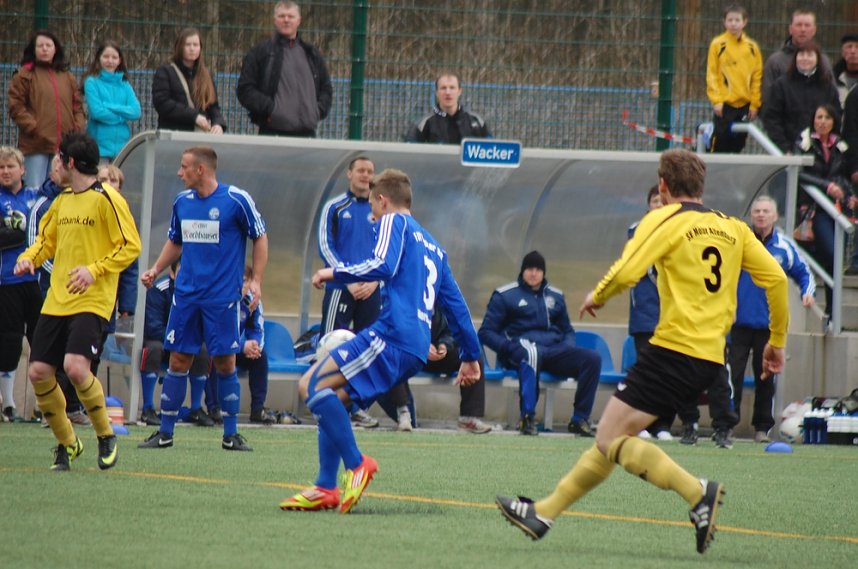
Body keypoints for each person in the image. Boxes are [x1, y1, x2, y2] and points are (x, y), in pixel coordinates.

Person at [496, 149, 790, 555]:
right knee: (612, 438)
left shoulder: (663, 218)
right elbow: (775, 278)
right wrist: (777, 340)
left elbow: (629, 269)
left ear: (664, 185)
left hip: (672, 349)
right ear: (701, 187)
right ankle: (544, 513)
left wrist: (597, 295)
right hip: (709, 358)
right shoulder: (733, 227)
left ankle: (696, 491)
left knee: (608, 437)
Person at [278, 168, 482, 513]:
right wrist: (471, 354)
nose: (373, 218)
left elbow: (383, 266)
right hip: (415, 347)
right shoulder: (434, 246)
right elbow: (457, 305)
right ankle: (325, 487)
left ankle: (357, 465)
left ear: (383, 200)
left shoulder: (394, 222)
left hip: (392, 334)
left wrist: (334, 272)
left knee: (310, 385)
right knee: (335, 398)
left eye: (373, 210)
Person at [14, 132, 142, 471]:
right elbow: (45, 242)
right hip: (57, 300)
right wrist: (29, 258)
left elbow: (130, 245)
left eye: (59, 158)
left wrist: (94, 270)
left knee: (74, 366)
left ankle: (105, 436)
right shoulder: (62, 201)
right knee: (40, 372)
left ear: (70, 163)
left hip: (93, 300)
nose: (56, 164)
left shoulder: (107, 199)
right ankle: (67, 443)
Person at [139, 146, 267, 451]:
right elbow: (175, 241)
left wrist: (257, 281)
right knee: (179, 358)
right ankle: (165, 432)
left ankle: (231, 435)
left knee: (224, 362)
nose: (179, 173)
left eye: (184, 167)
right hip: (186, 297)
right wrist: (156, 268)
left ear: (201, 170)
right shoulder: (182, 202)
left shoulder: (236, 200)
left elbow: (260, 236)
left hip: (222, 298)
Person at [479, 251, 600, 436]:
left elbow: (567, 330)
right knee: (532, 354)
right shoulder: (505, 295)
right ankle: (527, 417)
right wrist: (508, 347)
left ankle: (580, 419)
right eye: (529, 269)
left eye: (538, 269)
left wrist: (567, 346)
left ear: (543, 272)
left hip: (553, 351)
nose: (533, 273)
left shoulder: (556, 296)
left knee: (592, 359)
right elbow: (486, 332)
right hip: (520, 351)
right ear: (522, 271)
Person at [730, 196, 815, 443]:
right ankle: (727, 424)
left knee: (765, 376)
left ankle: (762, 428)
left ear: (775, 216)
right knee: (731, 375)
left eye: (766, 211)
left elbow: (803, 271)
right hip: (737, 323)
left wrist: (807, 293)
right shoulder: (739, 243)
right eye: (756, 210)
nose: (761, 215)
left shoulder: (784, 247)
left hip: (769, 326)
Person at [317, 155, 381, 428]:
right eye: (361, 171)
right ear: (349, 173)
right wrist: (348, 279)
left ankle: (355, 407)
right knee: (331, 345)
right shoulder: (335, 207)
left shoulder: (381, 209)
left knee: (367, 349)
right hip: (342, 288)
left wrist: (376, 280)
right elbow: (325, 245)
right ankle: (322, 403)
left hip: (372, 289)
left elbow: (388, 248)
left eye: (370, 171)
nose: (365, 175)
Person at [378, 300, 493, 434]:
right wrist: (422, 346)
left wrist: (444, 345)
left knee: (473, 357)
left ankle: (469, 418)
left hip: (438, 355)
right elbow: (396, 330)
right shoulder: (405, 297)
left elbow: (453, 329)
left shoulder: (442, 296)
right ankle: (403, 414)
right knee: (393, 357)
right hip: (411, 353)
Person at [237, 1, 333, 137]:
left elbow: (326, 88)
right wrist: (270, 110)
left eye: (291, 16)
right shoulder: (261, 52)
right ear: (274, 20)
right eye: (282, 16)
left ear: (299, 20)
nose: (286, 20)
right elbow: (245, 89)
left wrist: (317, 111)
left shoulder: (311, 54)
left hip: (308, 134)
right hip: (272, 133)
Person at [795, 104, 855, 317]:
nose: (822, 121)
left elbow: (844, 175)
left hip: (838, 210)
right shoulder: (805, 143)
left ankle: (832, 310)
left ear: (833, 121)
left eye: (827, 118)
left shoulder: (840, 145)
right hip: (816, 208)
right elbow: (799, 173)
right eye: (818, 117)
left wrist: (849, 195)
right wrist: (826, 187)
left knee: (835, 261)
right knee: (831, 253)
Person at [139, 261, 214, 427]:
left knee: (202, 350)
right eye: (184, 270)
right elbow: (153, 326)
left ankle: (196, 408)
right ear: (173, 273)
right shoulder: (160, 289)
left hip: (183, 340)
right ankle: (148, 408)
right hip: (160, 340)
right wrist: (177, 340)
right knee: (153, 349)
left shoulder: (197, 292)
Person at [7, 30, 85, 188]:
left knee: (61, 188)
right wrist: (34, 128)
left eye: (48, 45)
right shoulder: (24, 75)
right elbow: (16, 106)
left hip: (63, 145)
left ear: (55, 49)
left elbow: (77, 105)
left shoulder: (67, 76)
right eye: (40, 45)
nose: (44, 49)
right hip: (35, 145)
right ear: (33, 49)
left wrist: (77, 127)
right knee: (35, 188)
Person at [205, 266, 278, 425]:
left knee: (260, 356)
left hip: (236, 349)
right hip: (218, 347)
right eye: (237, 281)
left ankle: (258, 409)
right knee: (213, 355)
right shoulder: (219, 299)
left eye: (244, 281)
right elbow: (215, 335)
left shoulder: (252, 301)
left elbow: (257, 328)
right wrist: (242, 345)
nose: (241, 286)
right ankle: (214, 407)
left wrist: (255, 345)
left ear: (251, 282)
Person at [0, 146, 42, 423]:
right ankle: (8, 404)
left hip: (36, 280)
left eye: (10, 167)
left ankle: (44, 405)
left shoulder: (35, 197)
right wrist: (21, 237)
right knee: (10, 341)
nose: (5, 172)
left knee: (41, 341)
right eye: (1, 168)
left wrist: (19, 235)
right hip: (7, 280)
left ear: (23, 170)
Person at [763, 42, 841, 154]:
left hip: (821, 152)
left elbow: (836, 116)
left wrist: (828, 146)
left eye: (810, 55)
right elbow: (772, 119)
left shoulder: (827, 86)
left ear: (818, 59)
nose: (805, 58)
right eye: (801, 54)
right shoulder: (781, 85)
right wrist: (784, 148)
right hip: (789, 151)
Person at [704, 4, 762, 154]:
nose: (734, 23)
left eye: (737, 20)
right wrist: (717, 101)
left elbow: (757, 77)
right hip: (725, 105)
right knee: (720, 141)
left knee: (739, 142)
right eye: (730, 20)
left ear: (744, 22)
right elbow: (712, 74)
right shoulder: (718, 44)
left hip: (744, 104)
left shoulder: (751, 47)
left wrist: (755, 104)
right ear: (724, 22)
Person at [152, 28, 226, 134]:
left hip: (200, 136)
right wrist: (194, 116)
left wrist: (218, 123)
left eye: (195, 45)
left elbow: (213, 106)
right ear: (180, 47)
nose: (192, 48)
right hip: (173, 134)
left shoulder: (206, 75)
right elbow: (162, 103)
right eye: (188, 45)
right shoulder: (165, 72)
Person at [81, 41, 142, 163]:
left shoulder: (125, 84)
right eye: (106, 56)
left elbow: (136, 112)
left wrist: (109, 106)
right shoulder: (91, 82)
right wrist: (122, 116)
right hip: (98, 148)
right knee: (101, 182)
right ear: (99, 59)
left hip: (122, 148)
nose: (110, 61)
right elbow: (97, 113)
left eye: (114, 57)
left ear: (119, 60)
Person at [762, 9, 832, 110]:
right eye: (799, 25)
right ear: (790, 29)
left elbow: (831, 98)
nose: (803, 29)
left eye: (807, 25)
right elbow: (767, 98)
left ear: (814, 30)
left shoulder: (824, 61)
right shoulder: (775, 61)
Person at [405, 73, 491, 143]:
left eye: (452, 88)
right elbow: (410, 155)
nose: (448, 92)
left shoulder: (477, 121)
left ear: (459, 91)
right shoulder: (424, 124)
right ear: (436, 92)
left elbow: (491, 151)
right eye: (443, 88)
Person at [834, 33, 858, 106]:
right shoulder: (832, 79)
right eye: (849, 47)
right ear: (842, 52)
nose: (853, 51)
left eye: (857, 47)